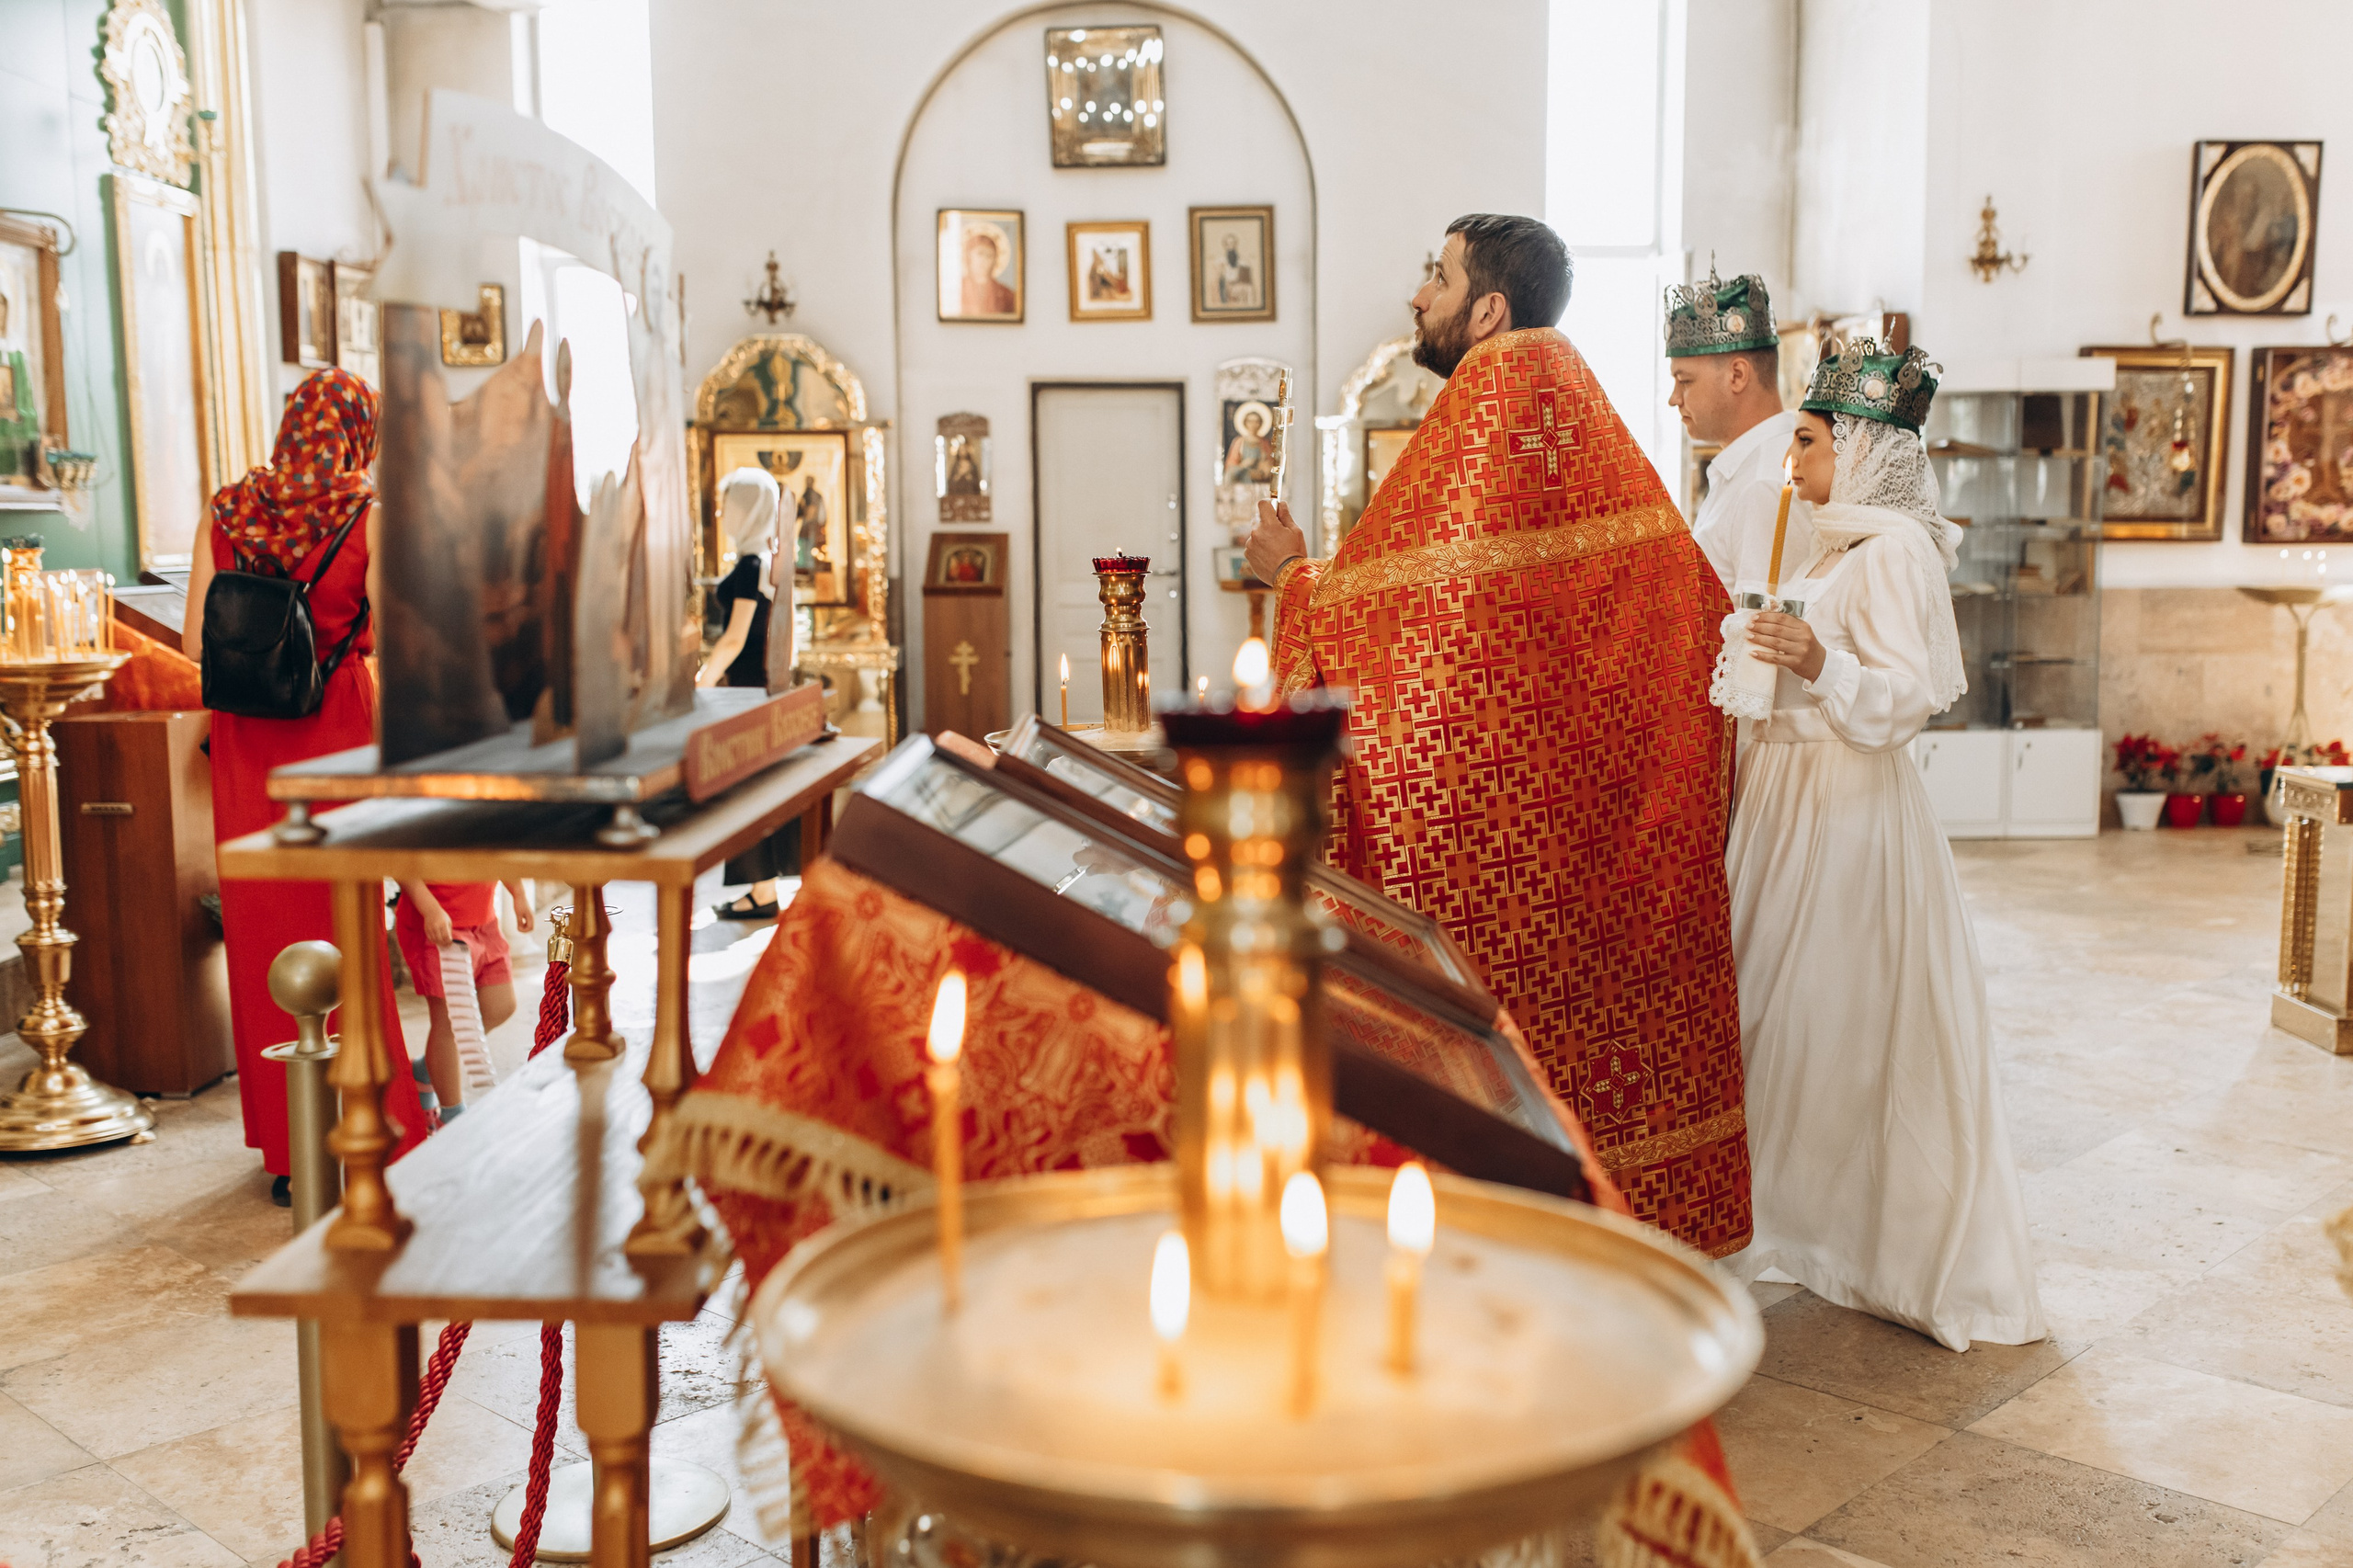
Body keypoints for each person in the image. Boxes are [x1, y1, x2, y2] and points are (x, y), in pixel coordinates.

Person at [1241, 214, 1751, 1257]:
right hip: (1606, 855)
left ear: (1488, 309)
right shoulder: (1589, 429)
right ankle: (1626, 1245)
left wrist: (1290, 576)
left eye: (1436, 277)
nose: (1416, 298)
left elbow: (1371, 633)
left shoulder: (1484, 413)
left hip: (1494, 869)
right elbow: (1689, 615)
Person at [1726, 340, 2048, 1351]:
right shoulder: (1830, 540)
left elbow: (1904, 697)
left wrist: (1816, 660)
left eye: (1811, 444)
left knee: (1847, 1017)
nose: (1795, 464)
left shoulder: (1897, 549)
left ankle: (1883, 1243)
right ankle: (1786, 1219)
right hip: (1788, 798)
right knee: (1780, 1016)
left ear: (1863, 448)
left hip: (1850, 809)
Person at [182, 369, 427, 1199]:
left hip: (249, 742)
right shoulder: (368, 515)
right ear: (362, 432)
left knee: (266, 937)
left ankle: (291, 1151)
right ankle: (371, 1126)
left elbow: (191, 642)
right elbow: (391, 640)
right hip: (336, 734)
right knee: (349, 926)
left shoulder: (227, 509)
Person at [1665, 266, 1809, 593]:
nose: (1675, 399)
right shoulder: (1747, 466)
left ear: (1738, 376)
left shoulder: (1765, 484)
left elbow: (1761, 631)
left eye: (1685, 381)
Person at [701, 466, 799, 919]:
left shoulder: (748, 567)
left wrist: (701, 680)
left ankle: (761, 891)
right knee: (756, 789)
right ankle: (762, 890)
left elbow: (735, 637)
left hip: (743, 691)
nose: (722, 514)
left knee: (744, 792)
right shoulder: (767, 560)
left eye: (728, 506)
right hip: (761, 687)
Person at [392, 877, 533, 1119]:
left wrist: (518, 893)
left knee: (501, 1004)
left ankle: (425, 1069)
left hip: (484, 922)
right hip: (437, 927)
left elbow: (498, 849)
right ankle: (452, 1115)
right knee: (449, 1022)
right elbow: (403, 864)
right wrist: (430, 909)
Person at [959, 225, 1017, 317]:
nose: (984, 260)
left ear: (995, 260)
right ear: (969, 256)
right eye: (980, 253)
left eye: (989, 255)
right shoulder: (955, 290)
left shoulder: (1007, 296)